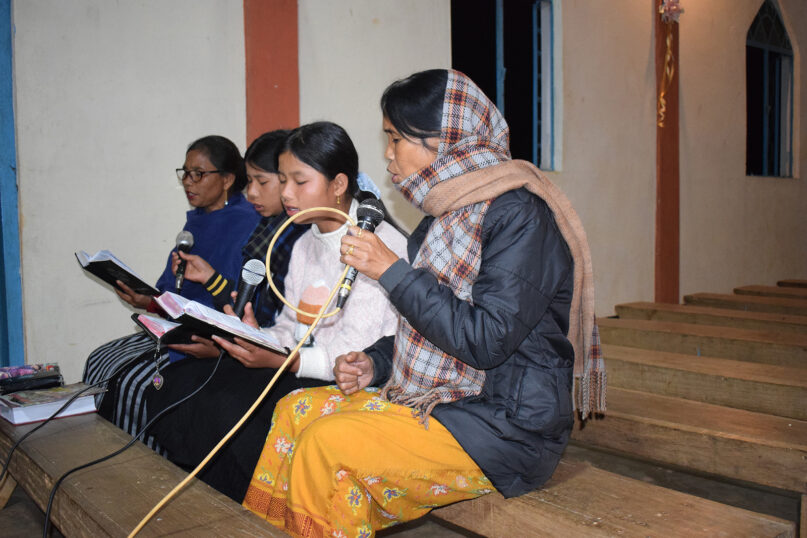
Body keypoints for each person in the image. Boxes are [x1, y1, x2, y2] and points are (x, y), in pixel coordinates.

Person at [242, 69, 605, 537]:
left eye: (396, 138)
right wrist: (375, 365)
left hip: (506, 426)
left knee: (327, 446)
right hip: (447, 403)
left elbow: (485, 341)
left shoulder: (519, 218)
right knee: (295, 412)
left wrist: (391, 272)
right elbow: (424, 330)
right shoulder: (444, 216)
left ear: (445, 141)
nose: (388, 153)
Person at [143, 122, 408, 502]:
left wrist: (283, 359)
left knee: (228, 408)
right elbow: (289, 327)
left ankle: (259, 511)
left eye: (299, 182)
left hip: (352, 378)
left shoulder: (376, 245)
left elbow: (354, 354)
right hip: (301, 363)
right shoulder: (305, 243)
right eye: (282, 180)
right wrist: (257, 336)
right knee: (183, 386)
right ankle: (221, 507)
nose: (286, 193)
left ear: (337, 185)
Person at [82, 135, 260, 447]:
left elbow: (238, 299)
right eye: (185, 173)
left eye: (199, 174)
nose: (188, 183)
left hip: (208, 336)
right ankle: (104, 461)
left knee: (137, 385)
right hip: (175, 327)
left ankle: (146, 470)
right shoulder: (197, 222)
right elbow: (171, 290)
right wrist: (146, 301)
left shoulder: (247, 225)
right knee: (102, 360)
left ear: (228, 179)